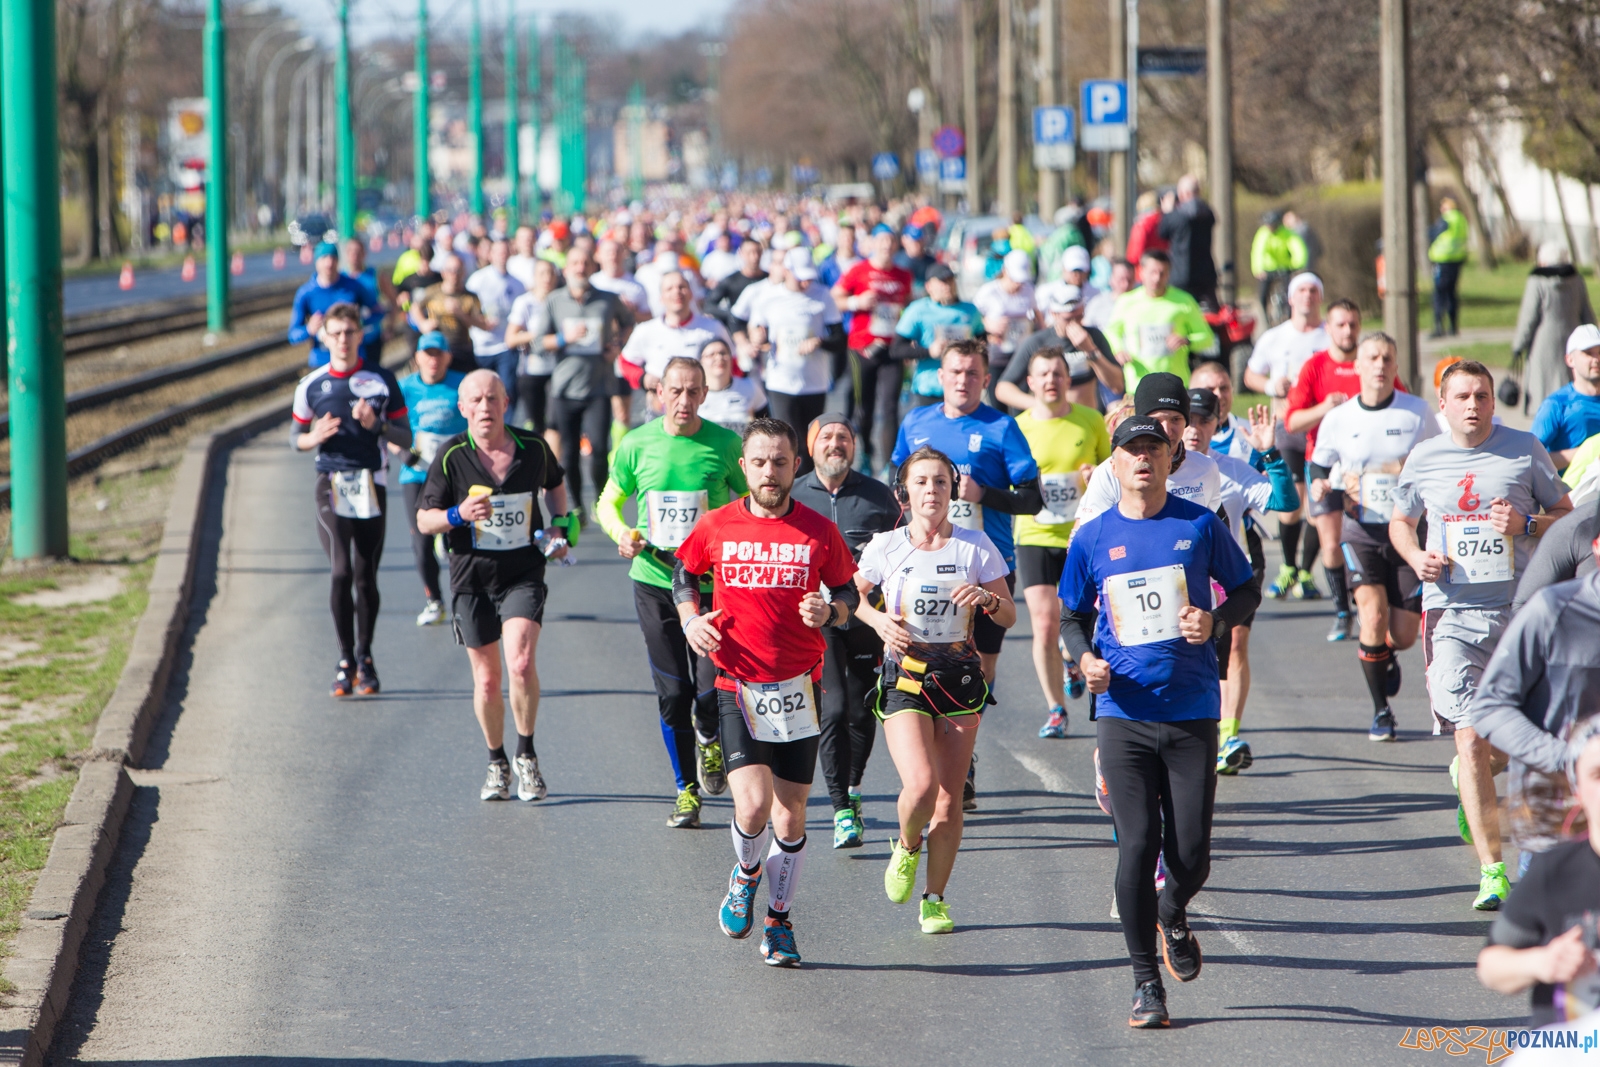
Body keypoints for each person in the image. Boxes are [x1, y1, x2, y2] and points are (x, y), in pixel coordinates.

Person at [1059, 415, 1260, 1029]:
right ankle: (1147, 984)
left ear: (1170, 460)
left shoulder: (1199, 524)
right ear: (1113, 464)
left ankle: (1172, 909)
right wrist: (1086, 658)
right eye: (1132, 450)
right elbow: (1070, 616)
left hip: (1193, 707)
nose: (1143, 459)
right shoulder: (1091, 537)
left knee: (1192, 854)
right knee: (1138, 843)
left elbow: (1247, 588)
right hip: (1123, 713)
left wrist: (1216, 622)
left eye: (1154, 449)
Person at [674, 418, 859, 968]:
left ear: (794, 465)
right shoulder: (717, 525)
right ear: (745, 467)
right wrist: (689, 620)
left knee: (791, 817)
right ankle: (747, 873)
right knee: (752, 804)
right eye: (759, 462)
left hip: (800, 686)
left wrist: (832, 610)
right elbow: (684, 574)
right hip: (737, 682)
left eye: (780, 462)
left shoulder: (818, 532)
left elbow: (847, 591)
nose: (770, 472)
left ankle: (779, 922)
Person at [1390, 358, 1572, 910]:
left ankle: (1474, 785)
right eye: (1463, 396)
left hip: (1520, 613)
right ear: (1442, 405)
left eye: (1483, 396)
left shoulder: (1524, 449)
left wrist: (1527, 526)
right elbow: (1400, 519)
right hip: (1452, 615)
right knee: (1468, 737)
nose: (1473, 405)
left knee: (1512, 745)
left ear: (1494, 402)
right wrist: (1416, 554)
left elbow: (1566, 514)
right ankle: (1493, 871)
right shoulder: (1424, 457)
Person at [854, 447, 1015, 934]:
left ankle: (935, 899)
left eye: (940, 482)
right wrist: (880, 620)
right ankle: (906, 846)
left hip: (961, 682)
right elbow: (851, 596)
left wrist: (987, 599)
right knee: (921, 787)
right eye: (921, 482)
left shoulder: (974, 545)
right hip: (906, 675)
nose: (931, 490)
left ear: (952, 489)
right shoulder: (886, 545)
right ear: (905, 490)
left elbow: (1008, 614)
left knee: (949, 800)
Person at [595, 357, 748, 827]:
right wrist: (621, 532)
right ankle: (685, 791)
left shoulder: (724, 444)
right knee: (672, 692)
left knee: (708, 692)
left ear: (705, 394)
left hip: (712, 589)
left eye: (693, 391)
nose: (683, 401)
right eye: (674, 391)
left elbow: (748, 503)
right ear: (659, 393)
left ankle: (710, 738)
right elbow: (608, 499)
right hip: (655, 579)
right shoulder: (636, 444)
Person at [891, 340, 1042, 809]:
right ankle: (934, 749)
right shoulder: (916, 422)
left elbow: (1031, 500)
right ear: (941, 375)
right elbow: (898, 487)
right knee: (926, 658)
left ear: (985, 379)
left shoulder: (1002, 428)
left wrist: (982, 493)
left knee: (979, 665)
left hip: (987, 566)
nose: (963, 380)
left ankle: (962, 754)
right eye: (955, 371)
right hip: (921, 567)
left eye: (972, 373)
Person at [416, 370, 569, 803]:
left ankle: (527, 755)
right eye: (476, 401)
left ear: (506, 403)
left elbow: (556, 485)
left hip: (523, 572)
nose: (485, 407)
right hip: (471, 580)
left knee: (519, 664)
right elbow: (424, 520)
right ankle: (496, 761)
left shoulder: (533, 447)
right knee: (487, 680)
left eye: (492, 399)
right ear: (462, 409)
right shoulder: (451, 457)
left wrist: (559, 527)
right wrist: (458, 514)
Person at [1307, 332, 1437, 742]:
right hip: (1359, 531)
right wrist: (1320, 487)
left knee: (1401, 634)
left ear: (1395, 367)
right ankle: (1382, 711)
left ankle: (1384, 655)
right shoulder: (1340, 418)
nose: (1380, 364)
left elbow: (1438, 461)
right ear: (1358, 367)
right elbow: (1318, 465)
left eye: (1387, 358)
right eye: (1372, 358)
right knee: (1372, 615)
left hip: (1407, 531)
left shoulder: (1416, 413)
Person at [291, 303, 413, 696]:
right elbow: (296, 438)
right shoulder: (311, 385)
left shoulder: (381, 380)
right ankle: (345, 660)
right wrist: (315, 436)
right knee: (340, 572)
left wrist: (375, 425)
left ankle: (366, 657)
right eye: (336, 332)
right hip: (331, 483)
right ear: (324, 336)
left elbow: (405, 438)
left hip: (371, 484)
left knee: (366, 576)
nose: (343, 340)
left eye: (350, 332)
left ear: (361, 335)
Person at [792, 415, 899, 849]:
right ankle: (840, 810)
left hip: (868, 619)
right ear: (811, 447)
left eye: (844, 438)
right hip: (817, 622)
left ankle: (852, 789)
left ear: (854, 446)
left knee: (861, 710)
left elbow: (901, 553)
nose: (835, 444)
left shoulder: (878, 497)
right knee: (832, 710)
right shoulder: (794, 496)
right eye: (826, 437)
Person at [1181, 389, 1298, 774]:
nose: (1196, 430)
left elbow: (1285, 502)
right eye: (1189, 420)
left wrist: (1270, 455)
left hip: (1223, 586)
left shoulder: (1228, 468)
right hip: (1173, 590)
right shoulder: (1158, 467)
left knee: (1225, 659)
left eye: (1205, 421)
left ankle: (1223, 736)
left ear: (1218, 425)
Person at [1006, 348, 1111, 738]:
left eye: (1057, 373)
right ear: (1030, 383)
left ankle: (1072, 657)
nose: (1051, 380)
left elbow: (1112, 472)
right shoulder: (1016, 427)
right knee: (1045, 623)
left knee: (1081, 616)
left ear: (1069, 380)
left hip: (1082, 536)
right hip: (1034, 534)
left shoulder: (1091, 421)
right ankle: (1055, 709)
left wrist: (1093, 472)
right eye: (1042, 374)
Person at [1476, 719, 1600, 1027]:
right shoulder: (1556, 872)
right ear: (1577, 789)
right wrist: (1543, 962)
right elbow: (1491, 966)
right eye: (1599, 775)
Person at [1285, 299, 1392, 640]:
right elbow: (1292, 421)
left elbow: (1399, 404)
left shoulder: (1372, 364)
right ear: (1328, 329)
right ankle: (1342, 611)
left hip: (1371, 470)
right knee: (1331, 544)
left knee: (1379, 538)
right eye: (1341, 325)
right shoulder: (1315, 367)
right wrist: (1324, 408)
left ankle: (1374, 603)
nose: (1347, 331)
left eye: (1353, 325)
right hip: (1326, 466)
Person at [1245, 272, 1329, 601]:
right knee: (1290, 504)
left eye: (1313, 290)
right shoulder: (1275, 337)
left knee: (1317, 505)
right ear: (1291, 299)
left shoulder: (1328, 336)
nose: (1307, 296)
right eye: (1301, 291)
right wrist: (1270, 385)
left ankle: (1307, 572)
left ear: (1319, 297)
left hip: (1322, 430)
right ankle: (1288, 568)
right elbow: (1250, 373)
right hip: (1286, 427)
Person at [543, 244, 635, 513]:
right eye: (575, 264)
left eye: (585, 263)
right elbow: (538, 341)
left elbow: (629, 322)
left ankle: (600, 499)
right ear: (566, 268)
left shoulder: (608, 299)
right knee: (569, 455)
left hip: (599, 387)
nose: (580, 269)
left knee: (598, 451)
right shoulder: (554, 301)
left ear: (593, 267)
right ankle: (579, 505)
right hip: (564, 388)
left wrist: (617, 345)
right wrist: (564, 339)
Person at [1075, 373, 1224, 528]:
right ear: (1141, 421)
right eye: (1157, 420)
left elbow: (1218, 532)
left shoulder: (1206, 468)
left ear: (1186, 421)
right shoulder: (1110, 472)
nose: (1166, 430)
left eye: (1175, 419)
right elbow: (1087, 541)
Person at [395, 332, 467, 627]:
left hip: (455, 474)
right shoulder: (405, 388)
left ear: (448, 357)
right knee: (421, 542)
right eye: (427, 354)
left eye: (438, 354)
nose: (432, 360)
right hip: (417, 473)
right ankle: (434, 601)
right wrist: (401, 452)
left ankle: (462, 601)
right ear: (417, 358)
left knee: (458, 540)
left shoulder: (462, 384)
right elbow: (390, 428)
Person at [833, 224, 915, 475]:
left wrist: (910, 337)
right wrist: (856, 301)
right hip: (863, 348)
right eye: (882, 242)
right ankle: (867, 454)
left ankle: (890, 465)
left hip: (892, 349)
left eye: (891, 242)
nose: (887, 247)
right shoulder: (858, 270)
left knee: (890, 407)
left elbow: (909, 305)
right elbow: (835, 298)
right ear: (872, 244)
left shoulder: (903, 275)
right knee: (863, 407)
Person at [746, 247, 845, 441]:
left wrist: (819, 342)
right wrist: (757, 338)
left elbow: (840, 340)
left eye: (808, 277)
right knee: (788, 439)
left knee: (810, 442)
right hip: (780, 381)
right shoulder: (768, 296)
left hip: (814, 383)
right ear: (786, 271)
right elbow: (757, 330)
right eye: (800, 277)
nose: (805, 282)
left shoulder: (823, 295)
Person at [1103, 251, 1216, 393]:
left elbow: (1208, 338)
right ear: (1141, 272)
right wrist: (1118, 350)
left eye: (1162, 273)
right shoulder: (1127, 302)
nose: (1157, 278)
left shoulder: (1184, 301)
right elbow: (1111, 332)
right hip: (1138, 385)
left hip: (1175, 384)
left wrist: (1187, 340)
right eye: (1152, 272)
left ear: (1169, 274)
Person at [996, 288, 1124, 412]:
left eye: (1079, 317)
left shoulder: (1093, 337)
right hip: (1051, 420)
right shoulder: (1038, 342)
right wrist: (1038, 405)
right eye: (1068, 319)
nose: (1074, 324)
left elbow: (1117, 385)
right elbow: (1003, 388)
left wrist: (1091, 351)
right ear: (1054, 314)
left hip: (1086, 419)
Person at [889, 263, 986, 414]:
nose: (948, 286)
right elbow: (896, 349)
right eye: (942, 282)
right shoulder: (918, 310)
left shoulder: (970, 310)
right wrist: (929, 351)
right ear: (929, 286)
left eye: (950, 280)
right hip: (930, 387)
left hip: (962, 387)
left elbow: (982, 343)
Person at [1514, 241, 1596, 415]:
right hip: (1573, 339)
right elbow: (1587, 313)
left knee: (1543, 386)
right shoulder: (1576, 279)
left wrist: (1518, 345)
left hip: (1543, 343)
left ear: (1543, 261)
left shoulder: (1537, 281)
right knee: (1570, 382)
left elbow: (1529, 317)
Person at [620, 270, 731, 394]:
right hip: (660, 406)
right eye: (669, 289)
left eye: (681, 287)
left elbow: (734, 362)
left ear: (691, 293)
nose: (676, 292)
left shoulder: (713, 327)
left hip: (705, 404)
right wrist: (642, 379)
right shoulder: (646, 330)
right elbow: (625, 362)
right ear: (661, 298)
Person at [289, 243, 380, 368]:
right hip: (321, 361)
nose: (329, 263)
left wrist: (359, 321)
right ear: (316, 262)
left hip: (353, 359)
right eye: (324, 258)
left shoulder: (353, 286)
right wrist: (309, 329)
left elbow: (377, 311)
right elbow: (293, 335)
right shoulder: (306, 293)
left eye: (333, 258)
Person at [503, 257, 561, 435]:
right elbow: (510, 339)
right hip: (531, 370)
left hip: (558, 369)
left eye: (551, 273)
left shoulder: (562, 300)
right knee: (536, 423)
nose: (547, 278)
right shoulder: (525, 302)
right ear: (534, 277)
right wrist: (539, 336)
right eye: (542, 273)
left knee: (555, 422)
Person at [465, 236, 526, 402]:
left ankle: (507, 426)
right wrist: (480, 320)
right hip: (481, 347)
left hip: (505, 346)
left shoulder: (518, 284)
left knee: (506, 393)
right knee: (482, 391)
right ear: (490, 255)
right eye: (498, 252)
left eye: (505, 251)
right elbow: (466, 308)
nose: (502, 255)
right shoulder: (477, 280)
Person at [411, 253, 491, 376]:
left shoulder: (470, 297)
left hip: (461, 348)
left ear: (463, 272)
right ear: (443, 273)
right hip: (438, 348)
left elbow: (483, 325)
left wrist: (461, 314)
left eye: (458, 270)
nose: (454, 274)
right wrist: (422, 323)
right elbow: (414, 307)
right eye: (450, 270)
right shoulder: (433, 291)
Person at [1533, 325, 1600, 472]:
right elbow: (1530, 457)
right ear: (1570, 359)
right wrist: (1584, 453)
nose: (1596, 359)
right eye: (1588, 353)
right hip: (1572, 492)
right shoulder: (1556, 405)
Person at [973, 250, 1038, 381]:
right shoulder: (988, 291)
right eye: (1015, 279)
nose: (1018, 284)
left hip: (1021, 353)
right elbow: (973, 319)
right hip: (997, 355)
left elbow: (1037, 315)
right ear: (1005, 271)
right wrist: (988, 324)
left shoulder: (1028, 290)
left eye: (1021, 280)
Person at [1156, 176, 1218, 308]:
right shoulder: (1208, 213)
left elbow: (1162, 232)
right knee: (1211, 314)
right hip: (1206, 274)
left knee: (1179, 310)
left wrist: (1168, 212)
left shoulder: (1177, 216)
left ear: (1185, 193)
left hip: (1181, 275)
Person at [697, 337, 768, 434]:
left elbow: (766, 424)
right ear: (701, 361)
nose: (719, 358)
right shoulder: (695, 394)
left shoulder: (749, 386)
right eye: (711, 355)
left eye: (723, 353)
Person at [1248, 210, 1308, 324]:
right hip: (1267, 268)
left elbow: (1297, 248)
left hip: (1284, 267)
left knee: (1289, 293)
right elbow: (1258, 251)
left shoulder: (1286, 233)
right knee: (1262, 295)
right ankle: (1265, 318)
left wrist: (1297, 265)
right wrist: (1258, 269)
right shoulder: (1263, 233)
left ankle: (1290, 317)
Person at [1428, 196, 1470, 338]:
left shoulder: (1447, 219)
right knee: (1452, 294)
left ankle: (1439, 327)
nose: (1441, 210)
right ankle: (1453, 327)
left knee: (1439, 294)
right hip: (1457, 260)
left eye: (1443, 207)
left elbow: (1433, 234)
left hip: (1443, 261)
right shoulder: (1461, 219)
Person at [705, 237, 767, 333]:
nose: (754, 257)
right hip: (739, 331)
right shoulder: (731, 280)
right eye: (749, 253)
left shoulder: (768, 279)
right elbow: (709, 305)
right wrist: (733, 314)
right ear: (741, 254)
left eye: (757, 252)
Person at [1035, 245, 1102, 322]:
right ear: (1063, 269)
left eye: (1081, 270)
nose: (1077, 275)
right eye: (1073, 270)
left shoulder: (1096, 294)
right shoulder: (1045, 291)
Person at [1084, 258, 1133, 331]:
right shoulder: (1097, 303)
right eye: (1121, 279)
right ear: (1111, 279)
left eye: (1129, 280)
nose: (1125, 285)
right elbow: (1086, 327)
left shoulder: (1140, 303)